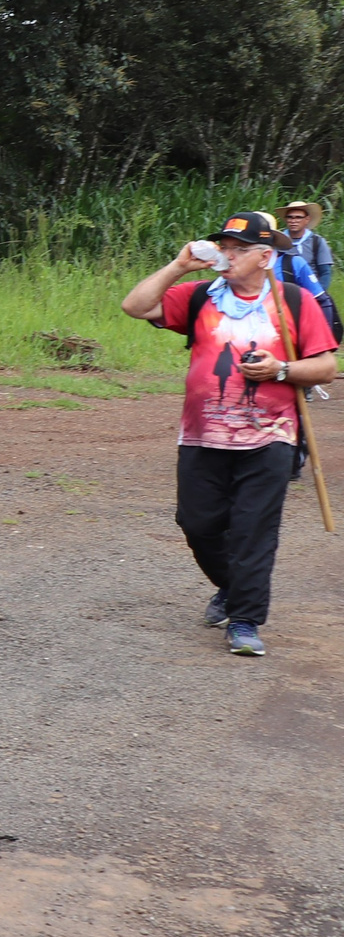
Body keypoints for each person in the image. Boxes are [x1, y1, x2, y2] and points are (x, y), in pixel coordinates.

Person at [121, 210, 339, 659]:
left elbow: (326, 368)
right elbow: (136, 306)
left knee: (252, 530)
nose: (227, 255)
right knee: (197, 523)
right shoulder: (203, 296)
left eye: (238, 250)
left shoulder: (294, 302)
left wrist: (280, 369)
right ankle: (232, 586)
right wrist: (179, 265)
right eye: (224, 247)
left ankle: (244, 619)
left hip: (271, 436)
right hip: (203, 435)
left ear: (264, 257)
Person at [283, 201, 335, 293]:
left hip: (311, 290)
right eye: (290, 217)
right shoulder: (279, 240)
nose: (293, 221)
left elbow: (325, 272)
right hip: (284, 290)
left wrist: (319, 293)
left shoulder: (317, 242)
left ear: (307, 219)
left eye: (298, 217)